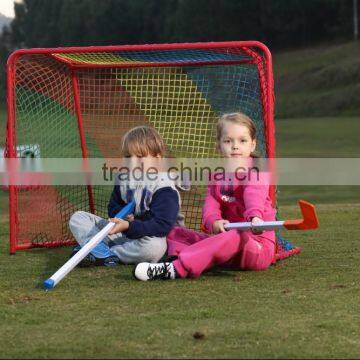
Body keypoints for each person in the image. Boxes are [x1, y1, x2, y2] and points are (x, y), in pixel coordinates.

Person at [134, 112, 276, 280]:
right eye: (228, 141)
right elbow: (211, 206)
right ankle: (182, 256)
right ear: (219, 145)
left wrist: (255, 217)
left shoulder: (257, 172)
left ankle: (176, 269)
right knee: (175, 233)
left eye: (242, 140)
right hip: (227, 248)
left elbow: (254, 194)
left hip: (256, 248)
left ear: (252, 145)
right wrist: (213, 222)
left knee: (237, 235)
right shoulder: (217, 177)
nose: (235, 146)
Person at [69, 125, 184, 266]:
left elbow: (161, 225)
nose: (133, 162)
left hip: (153, 237)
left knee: (153, 249)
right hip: (124, 233)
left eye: (140, 156)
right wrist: (121, 216)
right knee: (78, 218)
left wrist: (130, 225)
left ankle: (104, 253)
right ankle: (98, 251)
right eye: (128, 156)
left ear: (157, 159)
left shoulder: (164, 187)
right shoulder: (124, 179)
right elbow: (113, 206)